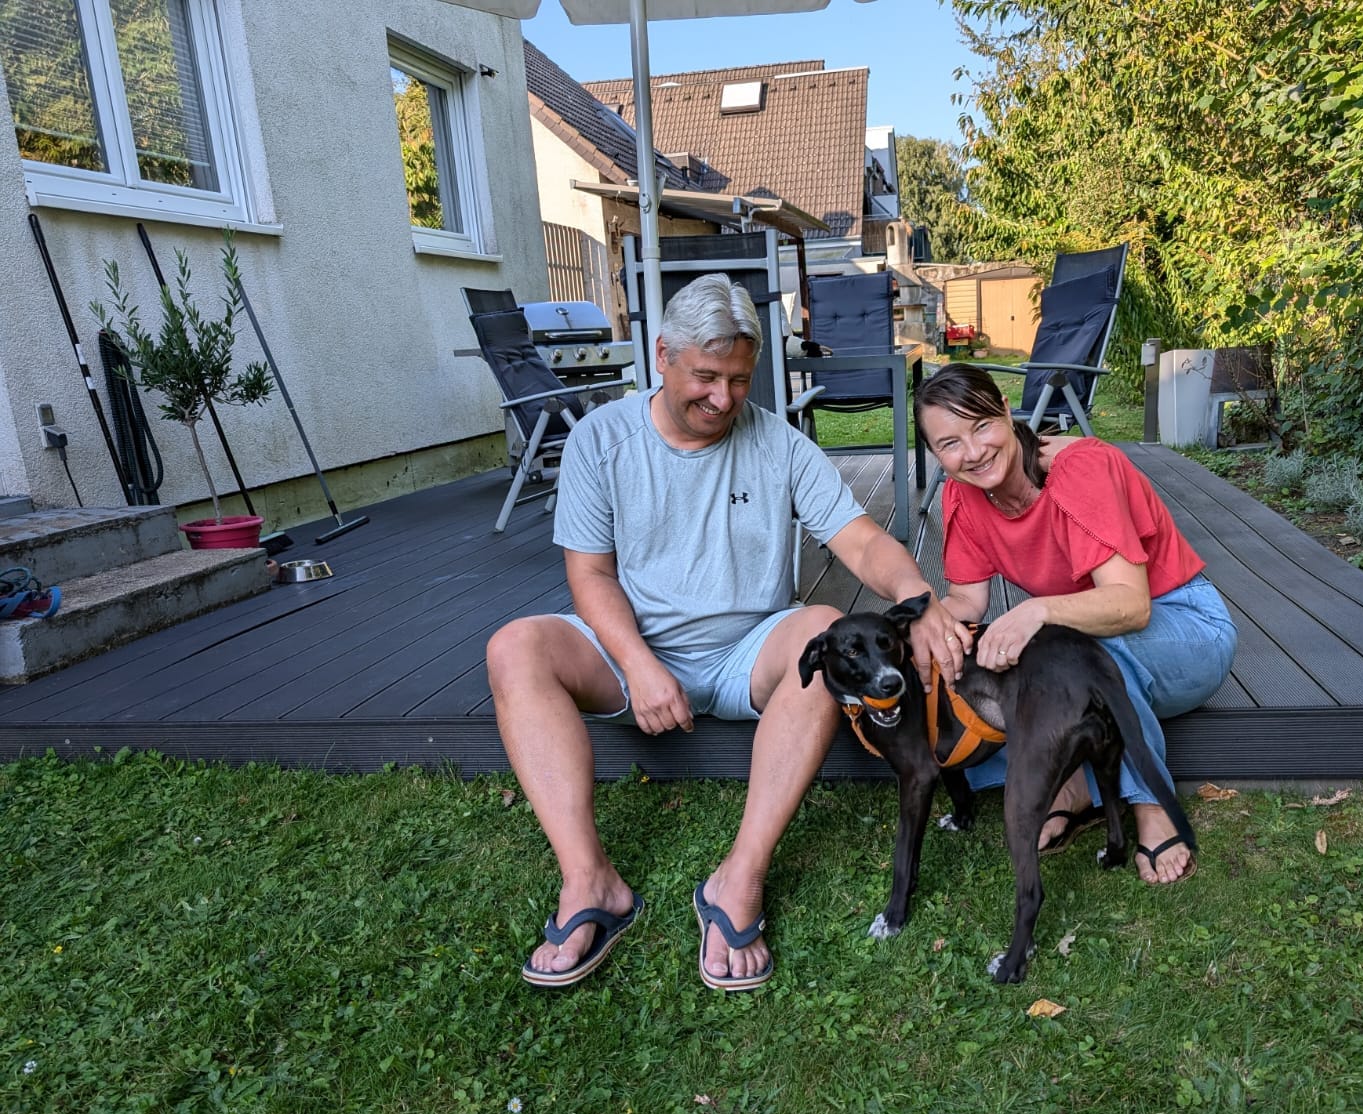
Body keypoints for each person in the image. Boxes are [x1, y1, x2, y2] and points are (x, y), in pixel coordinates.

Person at [487, 273, 969, 992]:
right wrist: (639, 664)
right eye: (706, 378)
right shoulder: (600, 438)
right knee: (514, 647)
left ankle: (738, 879)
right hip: (631, 646)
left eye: (739, 380)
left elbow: (862, 540)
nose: (723, 398)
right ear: (662, 356)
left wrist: (917, 598)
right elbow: (589, 575)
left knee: (822, 629)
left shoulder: (777, 443)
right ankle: (590, 882)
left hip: (750, 648)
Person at [913, 362, 1238, 884]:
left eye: (981, 426)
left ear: (1005, 410)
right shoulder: (964, 494)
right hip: (1090, 636)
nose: (972, 453)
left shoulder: (1080, 469)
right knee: (1007, 669)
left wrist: (1036, 609)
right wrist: (924, 629)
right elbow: (967, 600)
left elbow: (1131, 607)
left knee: (1080, 654)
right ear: (935, 453)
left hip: (1186, 628)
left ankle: (1151, 804)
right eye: (950, 443)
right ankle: (1074, 783)